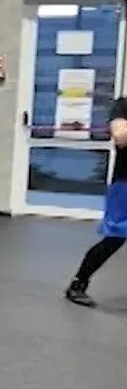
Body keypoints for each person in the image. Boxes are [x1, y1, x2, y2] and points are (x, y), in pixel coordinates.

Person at [65, 97, 127, 307]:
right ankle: (78, 284)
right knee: (115, 239)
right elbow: (120, 136)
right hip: (125, 185)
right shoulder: (123, 105)